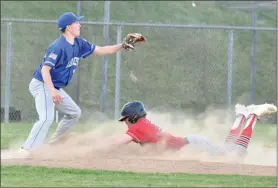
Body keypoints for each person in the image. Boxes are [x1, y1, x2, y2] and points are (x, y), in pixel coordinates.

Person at [20, 12, 137, 152]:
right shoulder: (58, 46)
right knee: (46, 118)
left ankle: (53, 143)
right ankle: (26, 150)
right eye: (76, 23)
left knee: (74, 113)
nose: (79, 24)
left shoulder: (79, 43)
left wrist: (121, 46)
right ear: (68, 27)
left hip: (54, 86)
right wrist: (52, 91)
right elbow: (45, 70)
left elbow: (100, 50)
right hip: (43, 84)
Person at [111, 100, 277, 157]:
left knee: (237, 154)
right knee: (228, 150)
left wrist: (96, 150)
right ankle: (241, 115)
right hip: (193, 143)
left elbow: (119, 142)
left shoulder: (138, 126)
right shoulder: (143, 125)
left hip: (194, 145)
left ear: (133, 116)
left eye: (125, 119)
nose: (125, 123)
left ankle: (252, 115)